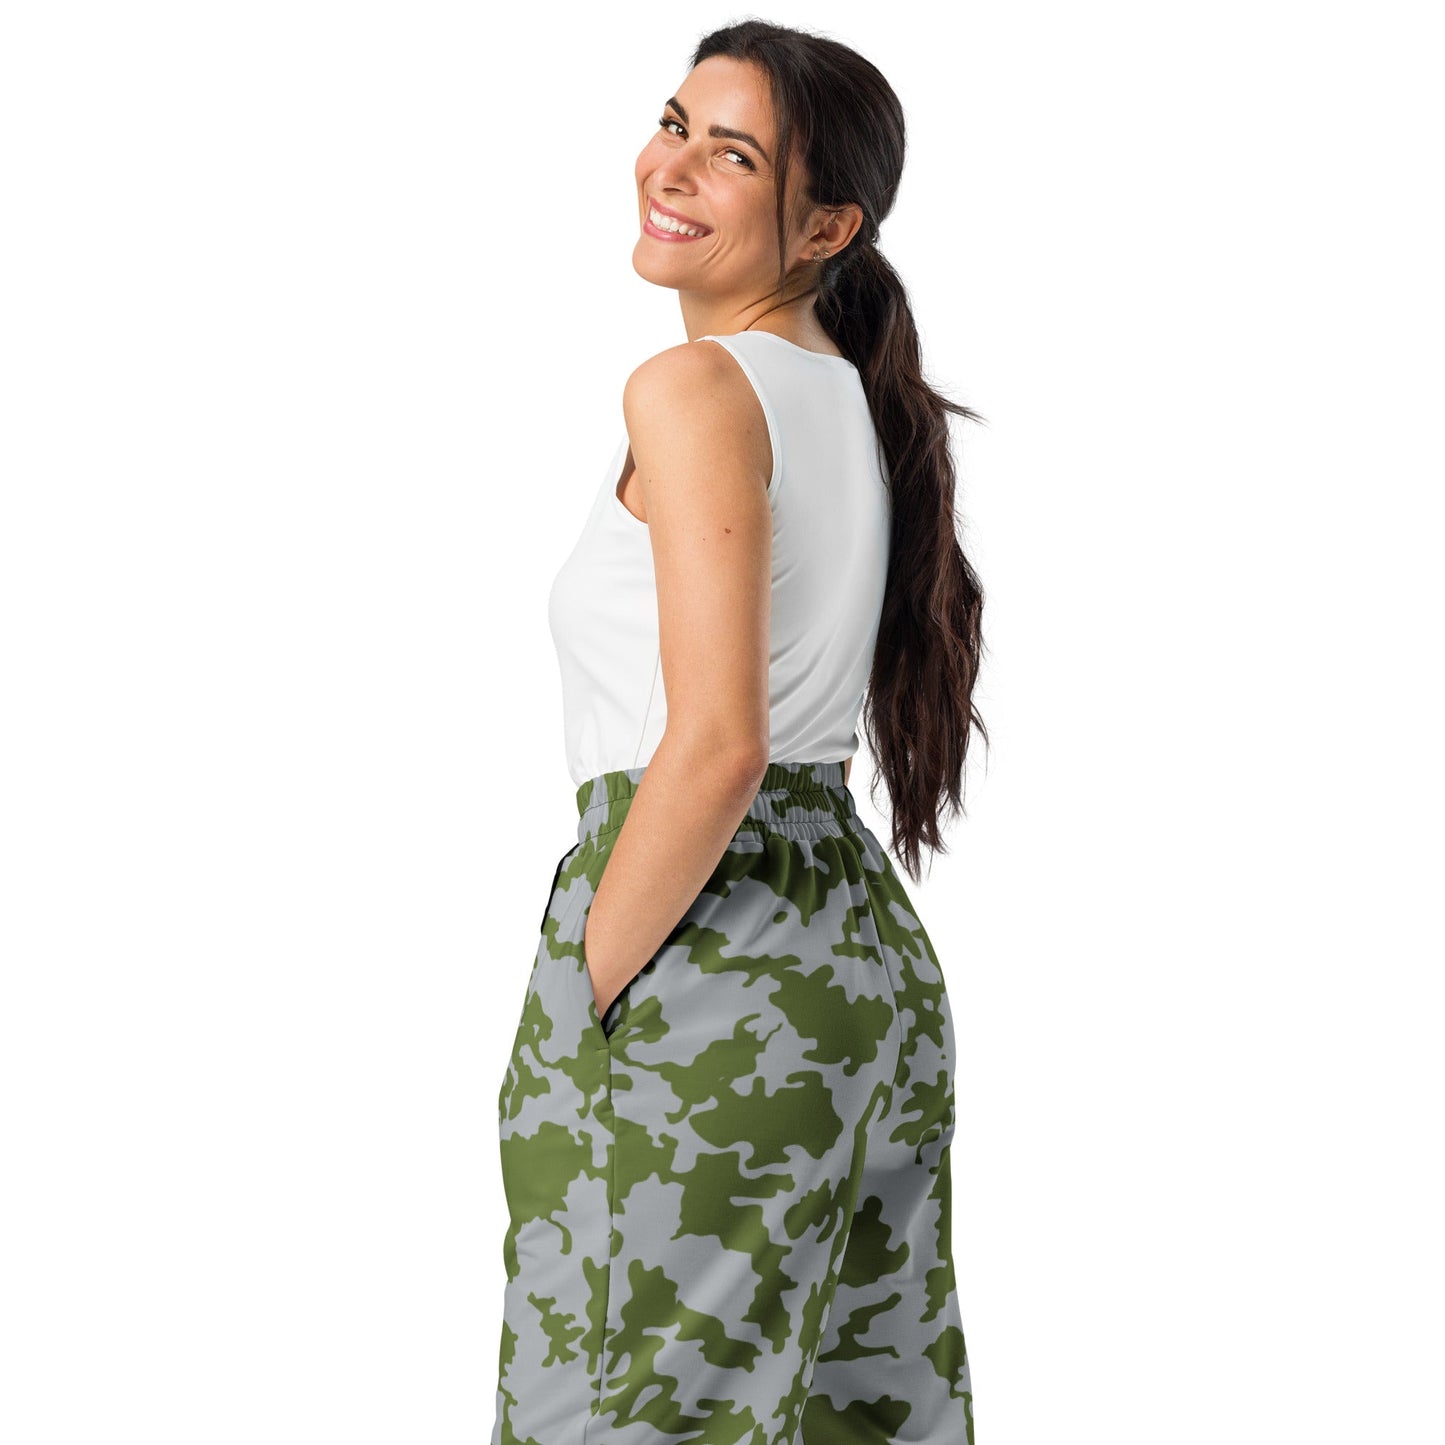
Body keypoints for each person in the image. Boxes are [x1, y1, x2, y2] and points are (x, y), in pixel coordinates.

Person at [492, 19, 987, 1445]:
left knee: (614, 1410)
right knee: (851, 1416)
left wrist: (587, 980)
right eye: (674, 125)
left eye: (734, 156)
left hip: (705, 952)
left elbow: (716, 745)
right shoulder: (848, 399)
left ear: (825, 226)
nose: (672, 168)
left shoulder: (696, 388)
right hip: (856, 959)